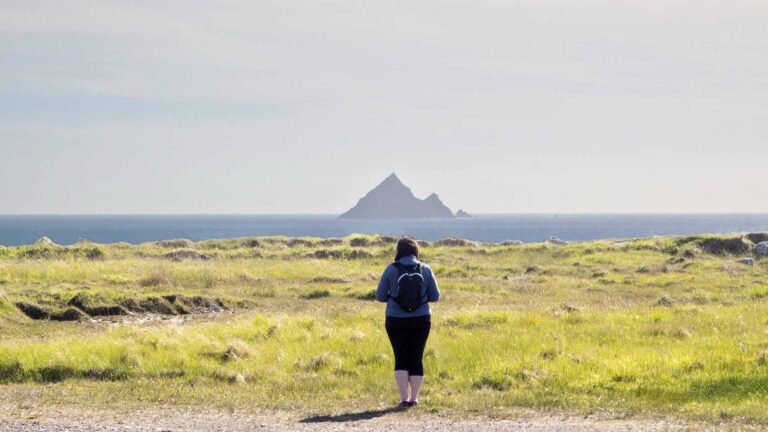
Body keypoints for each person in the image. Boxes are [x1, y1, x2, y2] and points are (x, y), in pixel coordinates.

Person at [376, 237, 440, 407]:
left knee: (401, 356)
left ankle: (403, 398)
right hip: (421, 319)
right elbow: (435, 296)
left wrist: (394, 297)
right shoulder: (425, 269)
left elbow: (380, 296)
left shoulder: (390, 269)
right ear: (415, 250)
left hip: (395, 319)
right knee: (416, 357)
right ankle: (414, 398)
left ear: (399, 251)